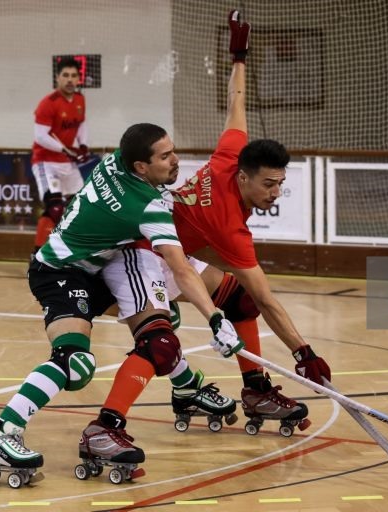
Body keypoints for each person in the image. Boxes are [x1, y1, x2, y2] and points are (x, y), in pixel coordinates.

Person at [0, 123, 244, 483]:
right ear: (141, 168)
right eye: (165, 156)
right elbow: (181, 268)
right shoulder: (149, 207)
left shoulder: (115, 162)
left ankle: (187, 387)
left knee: (160, 323)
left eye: (172, 151)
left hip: (93, 268)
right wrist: (214, 318)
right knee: (75, 363)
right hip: (60, 272)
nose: (175, 161)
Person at [151, 10, 332, 433]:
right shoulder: (229, 225)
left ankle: (255, 389)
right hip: (156, 259)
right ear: (245, 178)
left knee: (239, 300)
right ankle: (184, 391)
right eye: (269, 184)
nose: (275, 192)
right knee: (229, 305)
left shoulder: (231, 155)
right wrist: (303, 352)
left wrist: (239, 56)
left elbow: (236, 102)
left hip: (179, 245)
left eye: (281, 184)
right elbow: (270, 300)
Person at [30, 56, 90, 253]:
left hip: (67, 162)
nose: (70, 80)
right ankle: (38, 255)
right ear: (58, 78)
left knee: (80, 207)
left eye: (74, 75)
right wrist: (66, 150)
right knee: (55, 207)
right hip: (45, 162)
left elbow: (81, 124)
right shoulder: (48, 103)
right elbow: (40, 136)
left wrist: (83, 146)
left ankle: (71, 252)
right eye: (66, 75)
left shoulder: (80, 99)